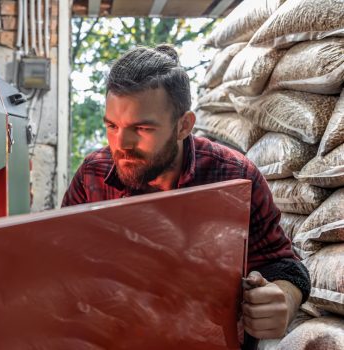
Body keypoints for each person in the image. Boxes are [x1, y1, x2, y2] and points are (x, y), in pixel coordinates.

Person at [62, 44, 310, 340]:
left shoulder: (234, 175)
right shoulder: (93, 175)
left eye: (141, 128)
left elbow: (285, 265)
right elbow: (61, 263)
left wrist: (285, 297)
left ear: (184, 126)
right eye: (112, 126)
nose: (121, 143)